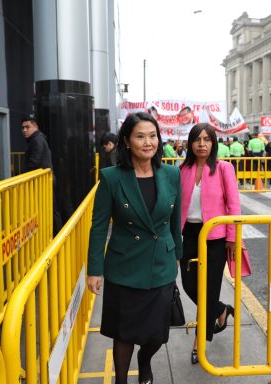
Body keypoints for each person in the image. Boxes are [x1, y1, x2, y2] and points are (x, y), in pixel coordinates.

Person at [86, 112, 183, 384]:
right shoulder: (111, 177)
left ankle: (145, 360)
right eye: (140, 136)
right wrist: (94, 270)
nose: (148, 142)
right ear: (127, 141)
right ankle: (121, 380)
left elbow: (176, 220)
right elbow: (98, 226)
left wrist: (177, 253)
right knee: (124, 332)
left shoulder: (172, 174)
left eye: (152, 136)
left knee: (156, 334)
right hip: (124, 267)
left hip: (161, 264)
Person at [179, 123, 241, 365]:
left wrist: (233, 238)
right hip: (190, 235)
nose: (202, 144)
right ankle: (220, 310)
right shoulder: (182, 169)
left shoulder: (224, 168)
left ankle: (199, 345)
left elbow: (234, 205)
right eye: (197, 139)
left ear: (213, 143)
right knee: (189, 286)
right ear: (190, 143)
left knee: (209, 290)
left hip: (216, 239)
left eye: (207, 139)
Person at [21, 114, 62, 236]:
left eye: (27, 127)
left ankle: (56, 235)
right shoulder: (38, 138)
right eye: (22, 128)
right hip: (45, 179)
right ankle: (55, 234)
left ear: (35, 126)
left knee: (51, 208)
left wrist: (22, 176)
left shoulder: (37, 140)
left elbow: (34, 161)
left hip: (44, 181)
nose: (24, 130)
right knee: (50, 208)